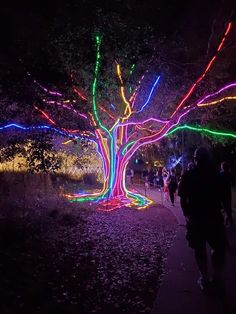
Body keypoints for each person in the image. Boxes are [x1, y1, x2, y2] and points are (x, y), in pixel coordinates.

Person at [178, 147, 227, 291]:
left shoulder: (188, 176)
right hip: (214, 218)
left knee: (200, 249)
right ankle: (216, 275)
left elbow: (182, 199)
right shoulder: (216, 175)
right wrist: (227, 214)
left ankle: (205, 277)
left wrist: (186, 214)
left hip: (196, 218)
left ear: (195, 159)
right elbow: (224, 197)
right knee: (218, 248)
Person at [219, 161, 233, 226]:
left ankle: (229, 222)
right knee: (227, 208)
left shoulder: (221, 174)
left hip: (222, 193)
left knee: (226, 208)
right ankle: (228, 221)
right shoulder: (228, 174)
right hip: (227, 193)